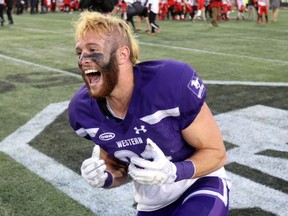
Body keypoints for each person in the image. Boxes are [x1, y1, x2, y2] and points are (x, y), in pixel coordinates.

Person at [69, 11, 231, 216]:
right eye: (79, 52)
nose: (83, 59)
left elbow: (217, 153)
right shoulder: (83, 110)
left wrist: (174, 171)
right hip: (152, 203)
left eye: (93, 49)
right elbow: (117, 167)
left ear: (122, 55)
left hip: (199, 184)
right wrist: (105, 177)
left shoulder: (169, 83)